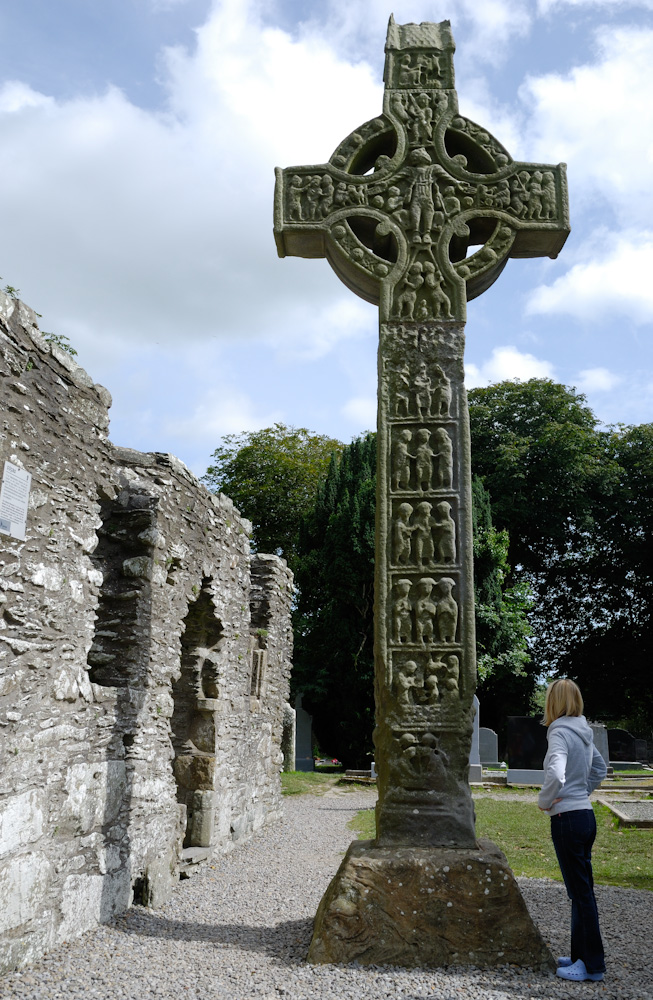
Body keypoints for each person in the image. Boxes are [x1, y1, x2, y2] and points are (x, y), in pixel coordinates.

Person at [538, 679, 607, 982]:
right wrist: (581, 793)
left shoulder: (559, 732)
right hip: (586, 817)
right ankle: (580, 957)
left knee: (581, 894)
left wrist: (546, 800)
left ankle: (592, 966)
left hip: (567, 819)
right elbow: (600, 769)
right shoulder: (583, 730)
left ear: (553, 702)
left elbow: (555, 773)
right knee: (582, 892)